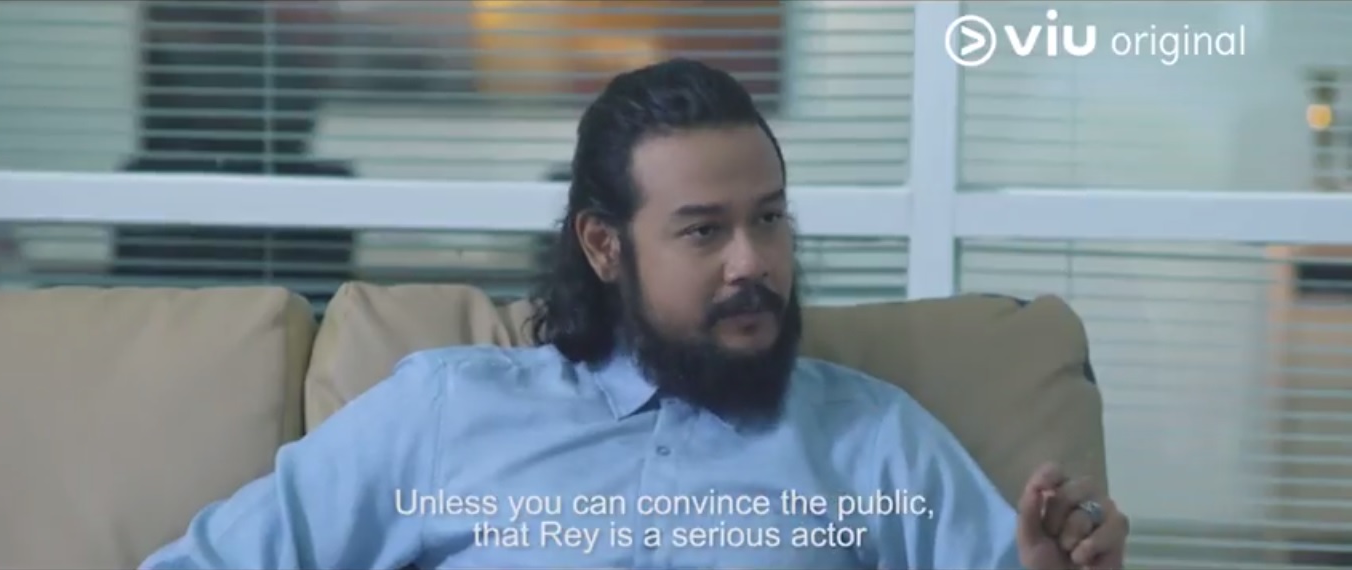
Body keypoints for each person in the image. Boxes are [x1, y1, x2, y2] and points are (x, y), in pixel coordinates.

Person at [140, 59, 1129, 570]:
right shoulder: (448, 412)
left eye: (769, 219)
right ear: (605, 246)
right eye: (704, 231)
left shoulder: (870, 438)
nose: (754, 263)